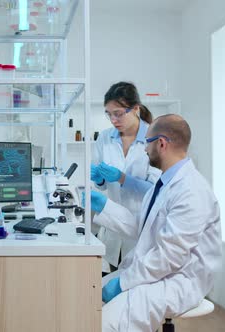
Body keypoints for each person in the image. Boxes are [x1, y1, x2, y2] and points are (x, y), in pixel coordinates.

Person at [88, 114, 221, 332]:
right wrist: (104, 206)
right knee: (86, 302)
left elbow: (169, 257)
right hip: (156, 272)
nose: (144, 149)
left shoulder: (191, 191)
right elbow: (143, 226)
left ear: (161, 143)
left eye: (147, 143)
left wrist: (123, 283)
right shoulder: (163, 183)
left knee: (103, 324)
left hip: (179, 280)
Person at [92, 82, 161, 273]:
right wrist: (99, 180)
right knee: (108, 284)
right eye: (109, 114)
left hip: (141, 228)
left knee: (136, 289)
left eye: (119, 113)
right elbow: (103, 187)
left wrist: (123, 179)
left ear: (136, 109)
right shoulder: (105, 138)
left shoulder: (154, 136)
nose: (113, 119)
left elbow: (158, 191)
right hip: (112, 227)